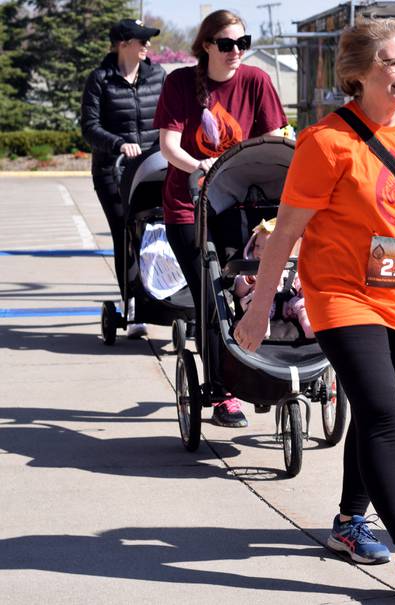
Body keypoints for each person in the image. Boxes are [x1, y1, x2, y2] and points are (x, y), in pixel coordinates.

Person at [234, 17, 395, 593]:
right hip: (342, 296)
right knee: (384, 413)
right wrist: (259, 307)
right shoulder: (326, 143)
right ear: (361, 73)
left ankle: (350, 521)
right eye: (394, 63)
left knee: (380, 410)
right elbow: (286, 234)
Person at [153, 9, 287, 429]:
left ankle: (269, 368)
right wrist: (201, 167)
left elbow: (275, 136)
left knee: (247, 287)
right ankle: (224, 392)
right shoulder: (179, 84)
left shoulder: (256, 81)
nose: (236, 52)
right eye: (227, 44)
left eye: (242, 44)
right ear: (207, 45)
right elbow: (169, 146)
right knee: (212, 297)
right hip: (188, 206)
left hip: (240, 205)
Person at [81, 18, 165, 339]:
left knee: (157, 234)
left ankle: (161, 298)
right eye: (141, 40)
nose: (147, 46)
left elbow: (171, 118)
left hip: (153, 169)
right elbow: (89, 127)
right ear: (123, 44)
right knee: (125, 236)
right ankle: (132, 305)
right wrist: (118, 143)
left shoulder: (158, 76)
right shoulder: (100, 80)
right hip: (112, 172)